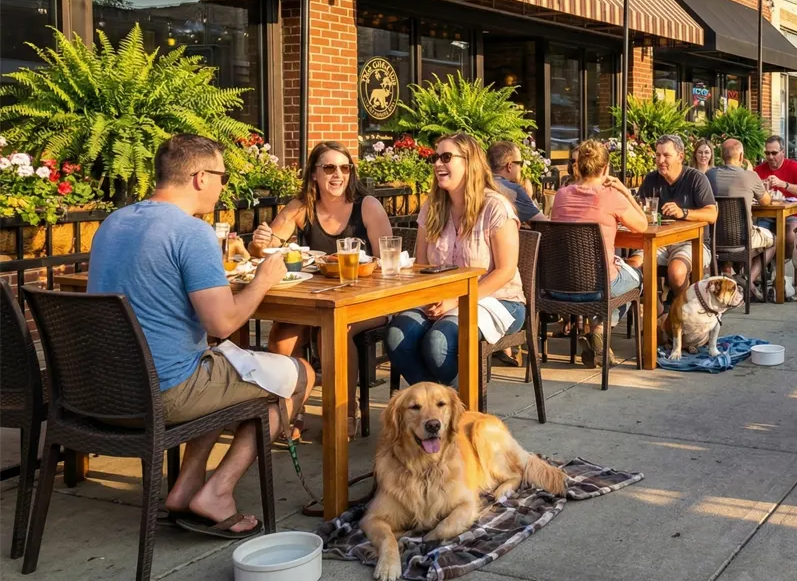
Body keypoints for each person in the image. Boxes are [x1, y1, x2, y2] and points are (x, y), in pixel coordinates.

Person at [89, 134, 315, 537]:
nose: (223, 186)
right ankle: (218, 492)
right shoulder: (191, 232)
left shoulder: (113, 223)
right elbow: (222, 325)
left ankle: (185, 488)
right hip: (164, 394)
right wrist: (263, 280)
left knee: (223, 367)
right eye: (222, 177)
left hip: (99, 393)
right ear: (199, 177)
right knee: (297, 375)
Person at [248, 140, 391, 438]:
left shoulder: (367, 206)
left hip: (367, 299)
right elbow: (267, 249)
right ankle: (292, 409)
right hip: (315, 299)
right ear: (314, 173)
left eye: (344, 168)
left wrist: (362, 267)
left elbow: (387, 260)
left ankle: (345, 411)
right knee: (281, 336)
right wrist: (259, 243)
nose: (338, 175)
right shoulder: (302, 206)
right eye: (329, 168)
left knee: (333, 333)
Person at [386, 133, 526, 385]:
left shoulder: (495, 207)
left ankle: (461, 404)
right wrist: (429, 297)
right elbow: (422, 266)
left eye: (446, 157)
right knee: (398, 336)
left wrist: (457, 300)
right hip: (440, 296)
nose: (438, 163)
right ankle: (437, 401)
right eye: (436, 157)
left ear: (470, 162)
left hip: (498, 300)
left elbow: (505, 270)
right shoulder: (432, 207)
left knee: (439, 342)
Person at [549, 140, 647, 366]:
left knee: (614, 276)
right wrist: (625, 191)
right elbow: (642, 225)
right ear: (605, 169)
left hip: (561, 286)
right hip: (598, 286)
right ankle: (600, 329)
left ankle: (597, 338)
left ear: (578, 166)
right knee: (637, 279)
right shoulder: (610, 196)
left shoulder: (561, 195)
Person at [637, 134, 718, 296]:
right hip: (657, 242)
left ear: (680, 157)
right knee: (633, 267)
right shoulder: (651, 179)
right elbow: (639, 208)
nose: (660, 160)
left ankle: (681, 307)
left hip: (692, 242)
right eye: (658, 155)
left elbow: (712, 214)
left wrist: (683, 212)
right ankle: (656, 308)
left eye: (666, 155)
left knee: (676, 272)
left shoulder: (696, 178)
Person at [706, 138, 775, 297]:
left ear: (721, 156)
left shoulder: (709, 175)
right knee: (775, 241)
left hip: (715, 237)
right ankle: (748, 279)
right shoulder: (750, 176)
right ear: (742, 156)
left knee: (729, 238)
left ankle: (734, 276)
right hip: (744, 238)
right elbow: (766, 201)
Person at [754, 135, 797, 260]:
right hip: (765, 214)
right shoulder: (758, 170)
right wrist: (760, 186)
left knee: (791, 236)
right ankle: (767, 265)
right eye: (767, 153)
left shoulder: (794, 166)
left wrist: (784, 184)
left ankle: (778, 263)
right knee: (759, 238)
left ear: (783, 152)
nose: (770, 157)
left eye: (774, 153)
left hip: (792, 214)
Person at [488, 140, 545, 224]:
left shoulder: (476, 185)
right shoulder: (514, 191)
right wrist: (529, 197)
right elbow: (544, 225)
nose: (521, 168)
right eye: (520, 163)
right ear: (509, 166)